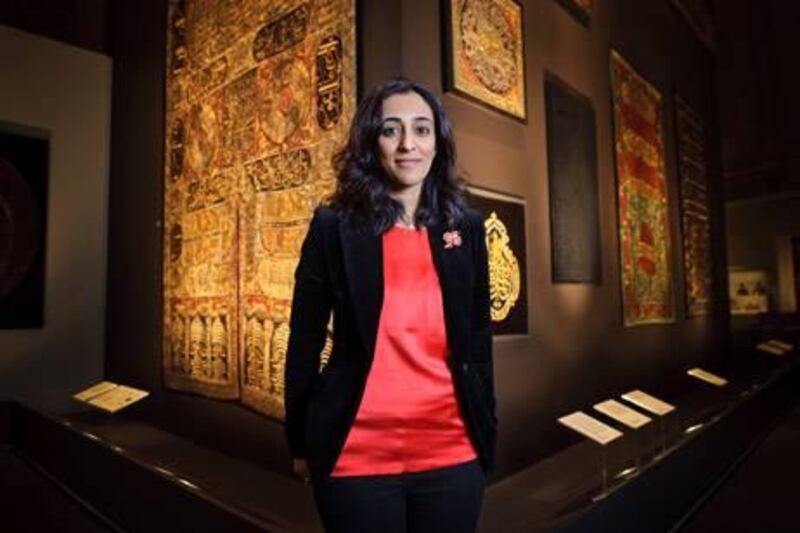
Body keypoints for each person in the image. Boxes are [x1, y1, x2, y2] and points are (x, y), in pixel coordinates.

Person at [284, 78, 497, 533]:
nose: (407, 145)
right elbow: (303, 341)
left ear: (437, 143)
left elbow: (478, 341)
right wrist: (299, 442)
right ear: (370, 143)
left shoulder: (468, 228)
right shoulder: (332, 226)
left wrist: (487, 432)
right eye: (390, 130)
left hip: (454, 453)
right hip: (355, 457)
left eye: (421, 130)